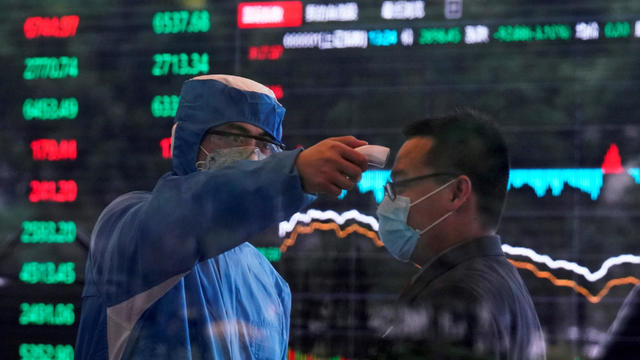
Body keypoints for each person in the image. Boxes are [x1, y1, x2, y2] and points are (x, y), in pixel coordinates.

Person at [74, 74, 368, 359]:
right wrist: (294, 172)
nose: (251, 154)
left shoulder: (270, 283)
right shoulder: (128, 227)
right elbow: (196, 209)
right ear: (189, 141)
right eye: (232, 137)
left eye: (264, 145)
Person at [373, 109, 546, 359]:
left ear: (455, 192)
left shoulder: (455, 300)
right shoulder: (501, 282)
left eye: (400, 184)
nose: (387, 202)